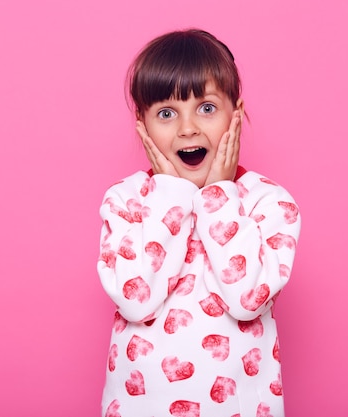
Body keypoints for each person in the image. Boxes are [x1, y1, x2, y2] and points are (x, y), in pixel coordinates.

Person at [97, 29, 301, 417]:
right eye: (166, 113)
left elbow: (248, 299)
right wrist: (171, 195)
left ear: (235, 114)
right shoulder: (125, 201)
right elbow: (136, 302)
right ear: (141, 124)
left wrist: (220, 194)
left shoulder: (269, 202)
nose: (188, 128)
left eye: (206, 108)